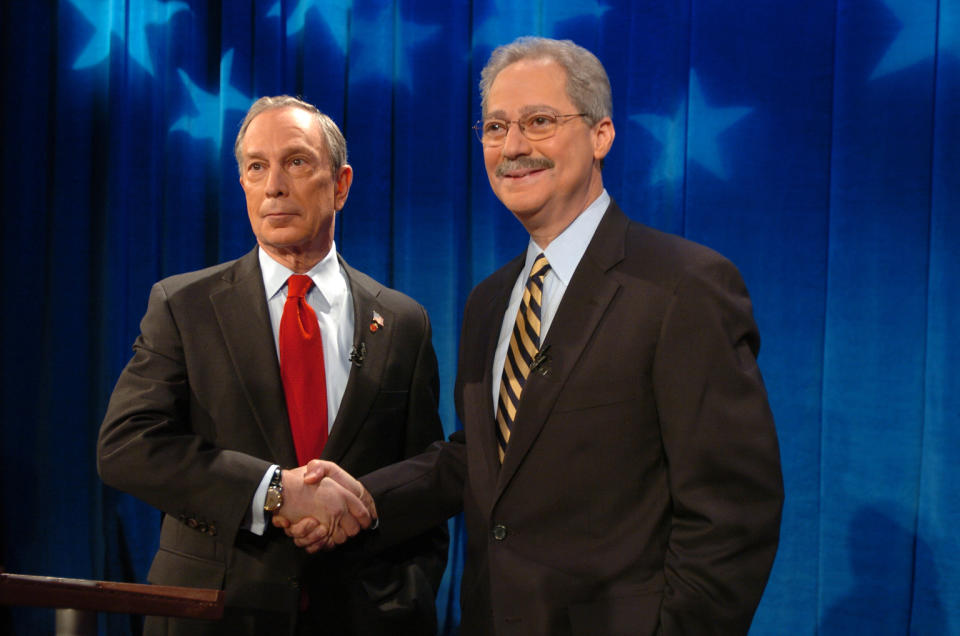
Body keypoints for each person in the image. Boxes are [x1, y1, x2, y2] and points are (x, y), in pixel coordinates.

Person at [284, 37, 784, 636]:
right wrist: (362, 498)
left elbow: (732, 514)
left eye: (539, 122)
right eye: (495, 127)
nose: (514, 146)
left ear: (601, 134)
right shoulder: (490, 300)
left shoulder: (685, 287)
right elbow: (483, 459)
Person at [98, 95, 447, 636]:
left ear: (341, 184)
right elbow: (127, 447)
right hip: (215, 614)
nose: (274, 186)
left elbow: (425, 478)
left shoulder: (403, 322)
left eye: (297, 162)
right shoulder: (184, 305)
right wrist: (273, 489)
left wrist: (407, 596)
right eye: (256, 167)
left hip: (361, 618)